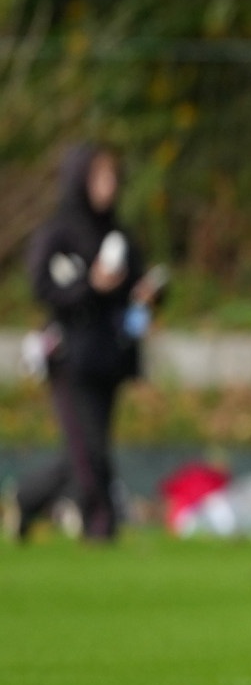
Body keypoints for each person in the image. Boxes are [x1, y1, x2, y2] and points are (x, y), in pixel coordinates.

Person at [13, 143, 165, 541]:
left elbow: (135, 288)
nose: (109, 185)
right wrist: (90, 285)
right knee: (89, 449)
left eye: (112, 176)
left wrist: (148, 295)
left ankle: (28, 498)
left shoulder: (118, 233)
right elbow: (44, 288)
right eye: (100, 176)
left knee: (83, 449)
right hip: (70, 356)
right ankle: (100, 525)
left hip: (109, 356)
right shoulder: (59, 231)